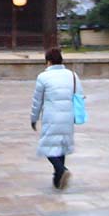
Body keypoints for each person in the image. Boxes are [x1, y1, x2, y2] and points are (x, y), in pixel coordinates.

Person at [30, 47, 81, 190]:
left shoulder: (43, 77)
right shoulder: (72, 75)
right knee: (61, 146)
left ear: (48, 61)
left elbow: (37, 101)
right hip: (68, 116)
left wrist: (34, 118)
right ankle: (58, 179)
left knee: (47, 147)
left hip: (51, 116)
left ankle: (61, 169)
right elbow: (79, 95)